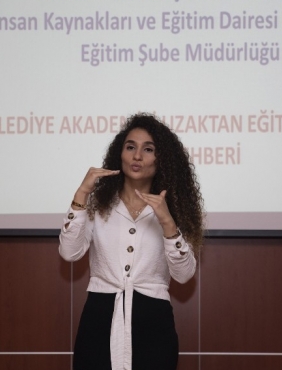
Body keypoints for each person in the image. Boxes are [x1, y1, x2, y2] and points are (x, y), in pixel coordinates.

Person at [59, 112, 205, 370]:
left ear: (161, 159)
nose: (137, 156)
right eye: (130, 147)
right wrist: (82, 193)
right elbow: (69, 252)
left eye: (148, 149)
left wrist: (167, 222)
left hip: (153, 321)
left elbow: (184, 275)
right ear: (120, 154)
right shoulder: (97, 203)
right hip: (99, 317)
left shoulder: (174, 211)